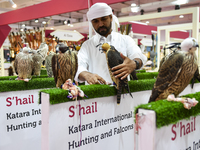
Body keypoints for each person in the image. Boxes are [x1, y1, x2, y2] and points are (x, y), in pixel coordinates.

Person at [74, 2, 147, 85]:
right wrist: (87, 75)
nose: (100, 24)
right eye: (95, 21)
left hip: (123, 94)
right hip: (96, 95)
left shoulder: (125, 40)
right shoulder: (87, 45)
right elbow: (78, 66)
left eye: (104, 19)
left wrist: (134, 63)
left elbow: (139, 56)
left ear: (111, 17)